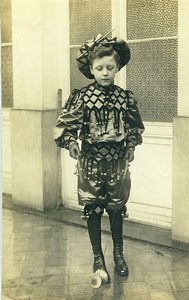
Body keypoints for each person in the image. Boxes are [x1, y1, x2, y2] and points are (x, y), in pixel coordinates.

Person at [54, 33, 145, 284]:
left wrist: (130, 146)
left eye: (110, 68)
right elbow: (66, 126)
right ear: (91, 69)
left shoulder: (125, 97)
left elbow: (135, 127)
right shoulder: (81, 97)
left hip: (117, 163)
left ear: (117, 68)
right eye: (99, 68)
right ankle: (97, 257)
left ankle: (118, 252)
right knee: (93, 209)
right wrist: (71, 142)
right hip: (90, 162)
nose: (105, 73)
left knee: (116, 209)